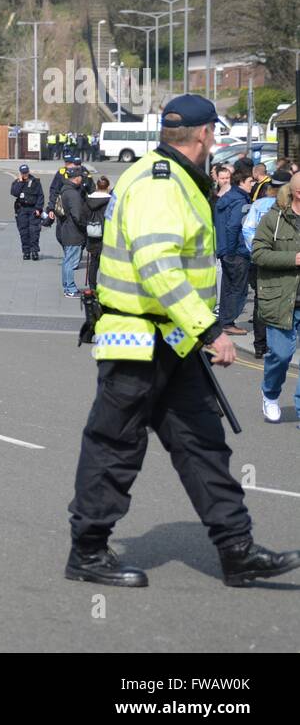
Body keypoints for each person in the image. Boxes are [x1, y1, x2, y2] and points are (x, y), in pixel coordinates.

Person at [68, 94, 300, 588]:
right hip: (137, 339)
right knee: (115, 446)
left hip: (169, 339)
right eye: (215, 134)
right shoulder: (160, 183)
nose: (215, 142)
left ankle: (236, 551)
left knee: (202, 446)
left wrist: (193, 331)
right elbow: (158, 267)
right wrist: (210, 329)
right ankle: (88, 551)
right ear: (205, 136)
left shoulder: (172, 177)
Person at [251, 173, 300, 422]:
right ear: (296, 193)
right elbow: (258, 253)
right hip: (282, 300)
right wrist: (293, 259)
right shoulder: (275, 218)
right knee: (280, 355)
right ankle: (270, 394)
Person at [243, 168, 289, 359]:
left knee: (261, 301)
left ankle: (260, 345)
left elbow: (247, 230)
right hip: (284, 261)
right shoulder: (289, 207)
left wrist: (258, 252)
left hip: (259, 261)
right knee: (284, 300)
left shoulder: (259, 204)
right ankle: (277, 344)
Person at [215, 167, 252, 336]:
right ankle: (228, 323)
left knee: (228, 288)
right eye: (250, 181)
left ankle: (224, 320)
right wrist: (231, 251)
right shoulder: (240, 200)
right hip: (236, 252)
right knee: (239, 289)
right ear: (241, 182)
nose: (252, 184)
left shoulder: (227, 197)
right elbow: (233, 226)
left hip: (225, 250)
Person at [56, 163, 87, 298]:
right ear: (76, 178)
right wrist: (85, 227)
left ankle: (67, 286)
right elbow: (78, 215)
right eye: (81, 176)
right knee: (71, 262)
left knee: (67, 261)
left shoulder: (64, 189)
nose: (82, 178)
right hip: (74, 232)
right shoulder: (73, 194)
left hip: (66, 229)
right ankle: (70, 288)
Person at [83, 176, 111, 292]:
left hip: (92, 233)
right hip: (107, 235)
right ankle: (107, 286)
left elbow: (83, 215)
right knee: (108, 263)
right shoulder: (111, 201)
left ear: (97, 186)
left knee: (94, 263)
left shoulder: (88, 200)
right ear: (108, 187)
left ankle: (92, 286)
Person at [10, 163, 43, 260]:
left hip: (33, 209)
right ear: (20, 173)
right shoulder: (17, 182)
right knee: (24, 232)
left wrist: (38, 208)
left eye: (26, 172)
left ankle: (35, 251)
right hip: (22, 210)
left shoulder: (35, 182)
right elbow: (14, 193)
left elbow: (40, 196)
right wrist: (20, 182)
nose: (25, 175)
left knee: (34, 231)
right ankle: (26, 252)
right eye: (23, 173)